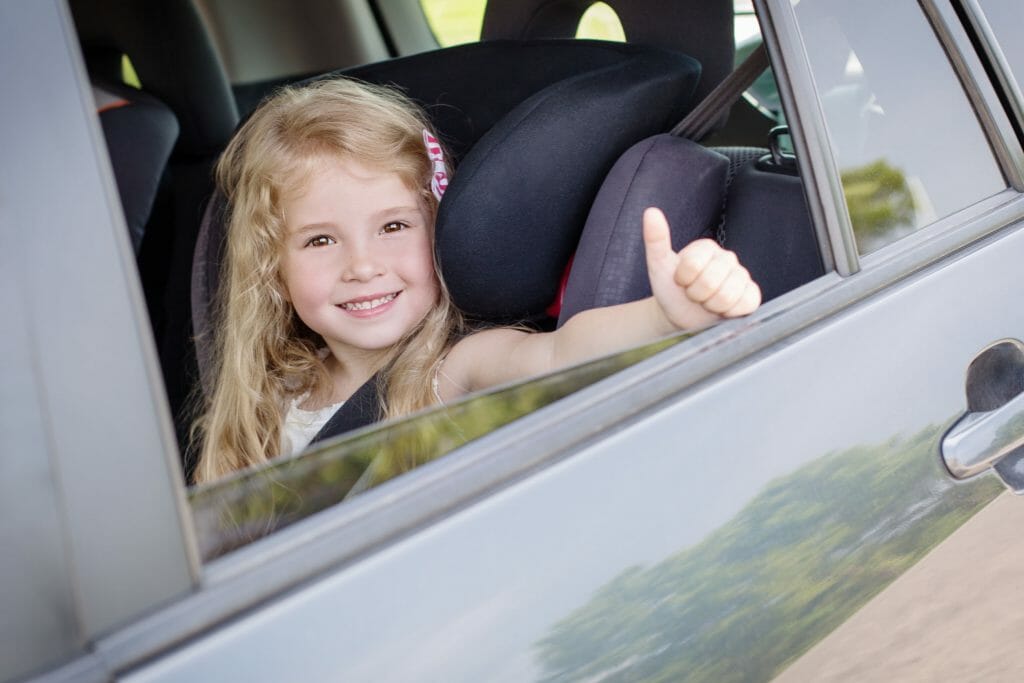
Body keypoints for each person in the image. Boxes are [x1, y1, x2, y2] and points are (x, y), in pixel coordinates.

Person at [191, 77, 760, 484]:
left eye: (393, 226)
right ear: (273, 268)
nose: (361, 266)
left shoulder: (453, 371)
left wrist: (665, 316)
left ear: (442, 232)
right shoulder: (271, 394)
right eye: (320, 240)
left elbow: (561, 353)